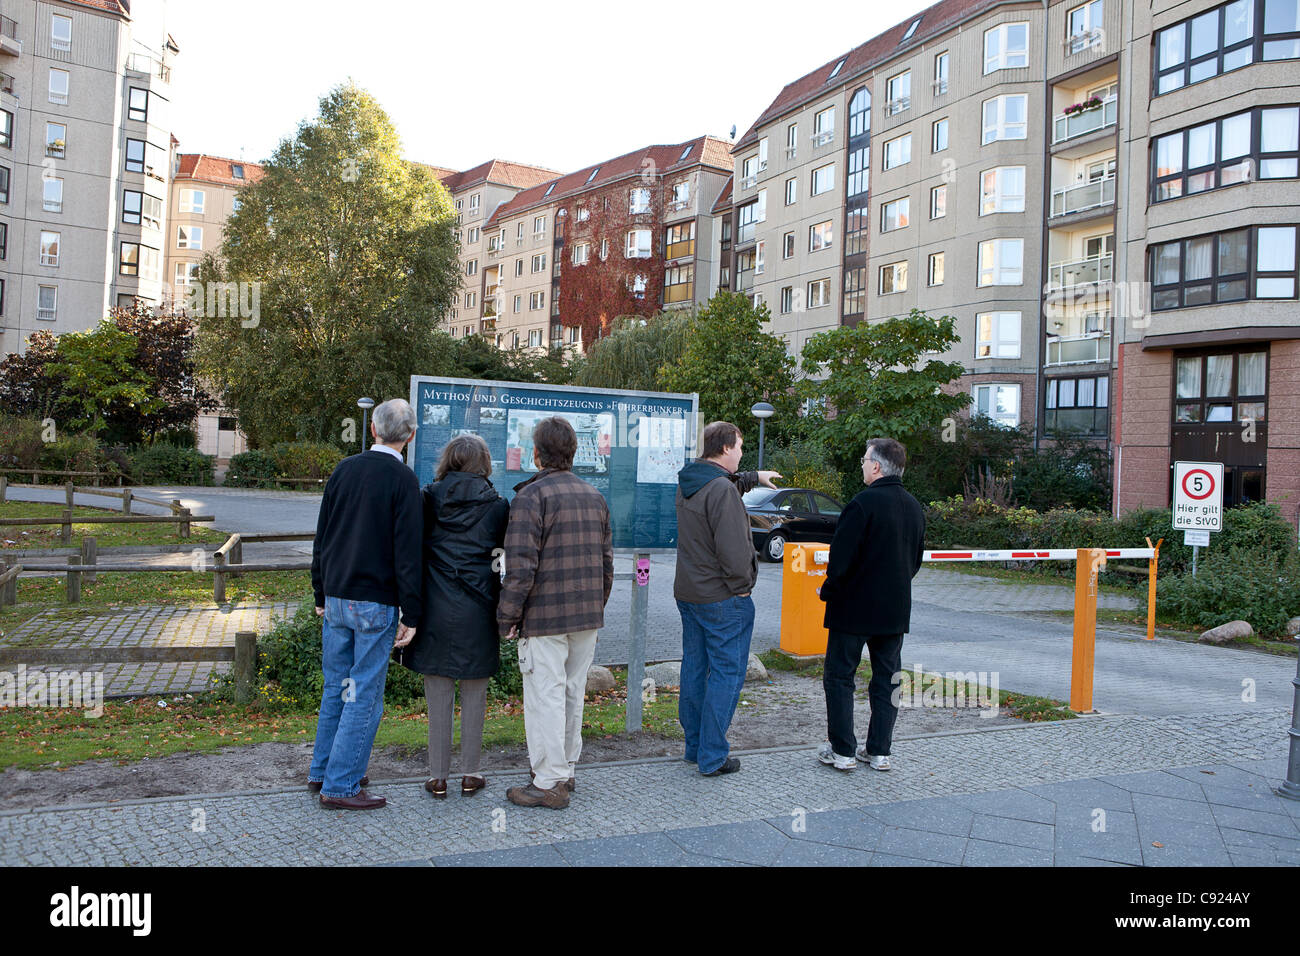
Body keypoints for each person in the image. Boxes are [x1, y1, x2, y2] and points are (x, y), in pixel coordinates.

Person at [309, 398, 422, 810]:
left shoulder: (344, 470)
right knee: (363, 695)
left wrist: (320, 591)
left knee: (337, 687)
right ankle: (340, 784)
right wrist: (412, 612)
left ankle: (324, 769)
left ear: (373, 429)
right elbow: (408, 552)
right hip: (376, 602)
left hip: (337, 596)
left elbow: (322, 537)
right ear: (409, 436)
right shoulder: (403, 480)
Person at [498, 416, 613, 810]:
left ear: (536, 453)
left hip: (545, 617)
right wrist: (596, 605)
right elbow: (606, 564)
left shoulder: (531, 497)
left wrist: (507, 617)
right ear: (574, 452)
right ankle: (564, 770)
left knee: (545, 695)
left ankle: (548, 781)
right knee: (571, 693)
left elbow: (520, 567)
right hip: (586, 615)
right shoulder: (594, 496)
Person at [396, 434, 509, 800]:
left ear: (448, 460)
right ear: (484, 463)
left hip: (436, 606)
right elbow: (501, 558)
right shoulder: (498, 506)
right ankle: (471, 773)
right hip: (479, 608)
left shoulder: (427, 498)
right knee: (475, 694)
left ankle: (438, 777)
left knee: (438, 694)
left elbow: (411, 551)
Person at [674, 421, 780, 776]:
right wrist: (743, 586)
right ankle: (713, 756)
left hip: (690, 594)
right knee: (726, 674)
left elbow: (719, 481)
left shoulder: (690, 482)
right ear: (724, 449)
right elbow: (734, 549)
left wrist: (752, 476)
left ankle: (694, 748)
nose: (740, 453)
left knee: (694, 669)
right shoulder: (721, 491)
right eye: (738, 447)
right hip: (723, 598)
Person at [817, 437, 925, 773]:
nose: (862, 464)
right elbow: (915, 560)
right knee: (887, 679)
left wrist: (828, 590)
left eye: (865, 459)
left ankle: (843, 751)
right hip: (894, 610)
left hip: (853, 608)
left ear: (876, 466)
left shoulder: (861, 504)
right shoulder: (914, 507)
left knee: (840, 677)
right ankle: (879, 752)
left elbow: (841, 560)